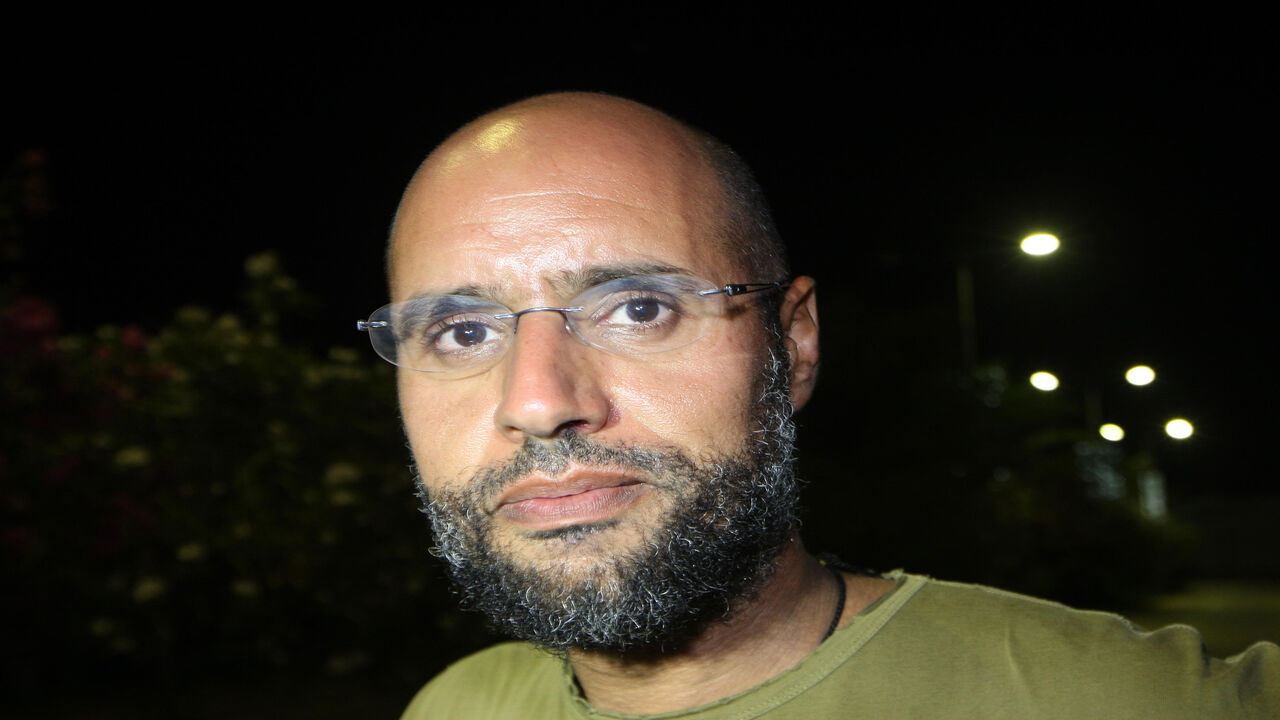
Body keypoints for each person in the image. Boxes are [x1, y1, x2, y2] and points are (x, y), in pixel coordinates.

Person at [360, 92, 1279, 718]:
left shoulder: (1137, 701)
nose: (537, 401)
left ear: (792, 345)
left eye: (639, 309)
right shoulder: (457, 705)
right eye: (461, 332)